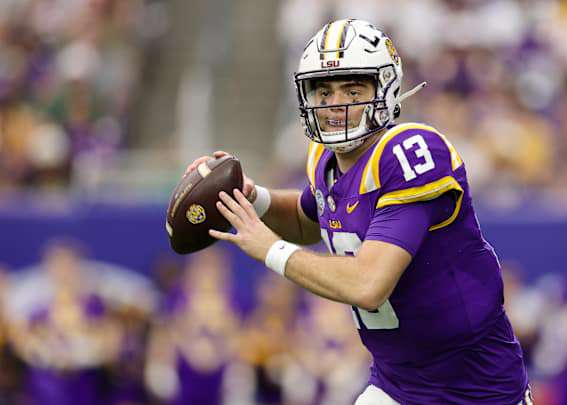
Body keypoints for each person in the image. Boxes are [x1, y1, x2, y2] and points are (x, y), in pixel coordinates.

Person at [186, 19, 531, 404]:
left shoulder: (410, 153)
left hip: (479, 391)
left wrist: (270, 249)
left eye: (352, 90)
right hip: (397, 385)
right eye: (324, 91)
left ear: (385, 88)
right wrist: (254, 198)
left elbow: (368, 285)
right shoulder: (324, 160)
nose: (336, 104)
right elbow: (306, 221)